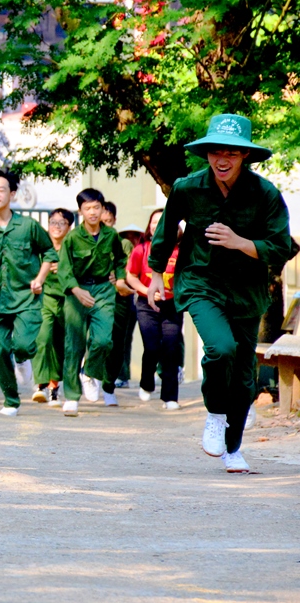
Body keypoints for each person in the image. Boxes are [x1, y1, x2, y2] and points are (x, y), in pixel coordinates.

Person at [146, 114, 293, 474]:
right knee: (220, 348)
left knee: (244, 376)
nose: (222, 159)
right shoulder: (187, 188)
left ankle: (233, 449)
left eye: (231, 152)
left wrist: (241, 243)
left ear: (245, 156)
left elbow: (282, 247)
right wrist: (154, 276)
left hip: (247, 291)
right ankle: (214, 411)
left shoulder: (265, 194)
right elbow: (165, 232)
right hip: (201, 282)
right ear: (206, 154)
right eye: (215, 151)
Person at [0, 170, 54, 416]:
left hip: (26, 298)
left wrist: (39, 278)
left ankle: (23, 359)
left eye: (1, 189)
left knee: (24, 344)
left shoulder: (28, 227)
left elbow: (49, 253)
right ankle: (11, 401)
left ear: (13, 194)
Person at [58, 189, 128, 416]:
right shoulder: (72, 238)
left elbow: (120, 259)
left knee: (104, 340)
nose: (92, 212)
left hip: (103, 290)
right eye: (87, 208)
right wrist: (77, 291)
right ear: (80, 212)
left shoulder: (111, 235)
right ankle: (71, 396)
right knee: (74, 344)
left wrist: (119, 279)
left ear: (102, 208)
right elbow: (64, 269)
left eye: (96, 207)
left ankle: (90, 372)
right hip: (77, 290)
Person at [126, 208, 184, 408]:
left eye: (162, 221)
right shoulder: (141, 249)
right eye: (153, 222)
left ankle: (170, 397)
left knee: (171, 348)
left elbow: (186, 279)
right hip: (146, 305)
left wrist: (175, 293)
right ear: (149, 228)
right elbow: (130, 276)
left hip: (172, 306)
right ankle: (146, 383)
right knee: (152, 347)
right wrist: (146, 291)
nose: (157, 225)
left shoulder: (181, 252)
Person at [30, 208, 74, 406]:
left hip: (67, 299)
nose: (56, 227)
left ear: (69, 226)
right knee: (43, 337)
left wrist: (64, 267)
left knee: (59, 343)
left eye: (61, 223)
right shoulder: (40, 246)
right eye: (52, 222)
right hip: (44, 298)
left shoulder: (72, 245)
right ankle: (40, 384)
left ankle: (54, 385)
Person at [101, 202, 138, 389]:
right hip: (96, 297)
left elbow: (128, 270)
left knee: (120, 339)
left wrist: (119, 278)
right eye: (103, 221)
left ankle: (119, 375)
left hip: (121, 298)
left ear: (115, 220)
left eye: (109, 221)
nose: (106, 224)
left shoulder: (123, 244)